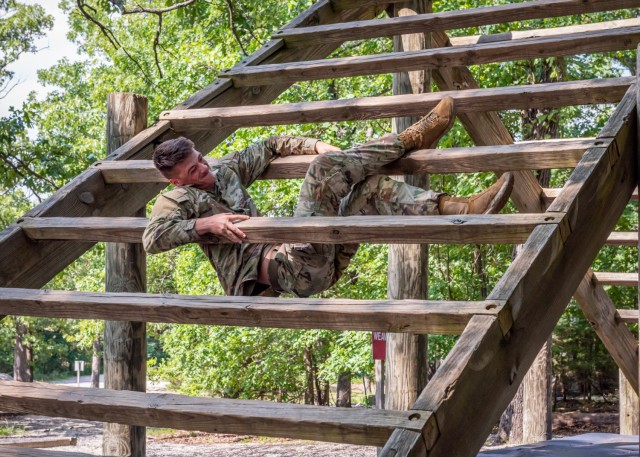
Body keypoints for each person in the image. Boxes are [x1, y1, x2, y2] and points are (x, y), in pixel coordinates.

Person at [143, 97, 514, 297]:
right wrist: (205, 224)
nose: (204, 170)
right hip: (290, 270)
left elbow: (271, 145)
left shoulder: (223, 171)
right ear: (176, 181)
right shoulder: (175, 202)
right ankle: (411, 138)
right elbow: (151, 239)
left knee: (366, 191)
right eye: (193, 171)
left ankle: (459, 208)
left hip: (320, 259)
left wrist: (315, 144)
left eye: (201, 160)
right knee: (322, 171)